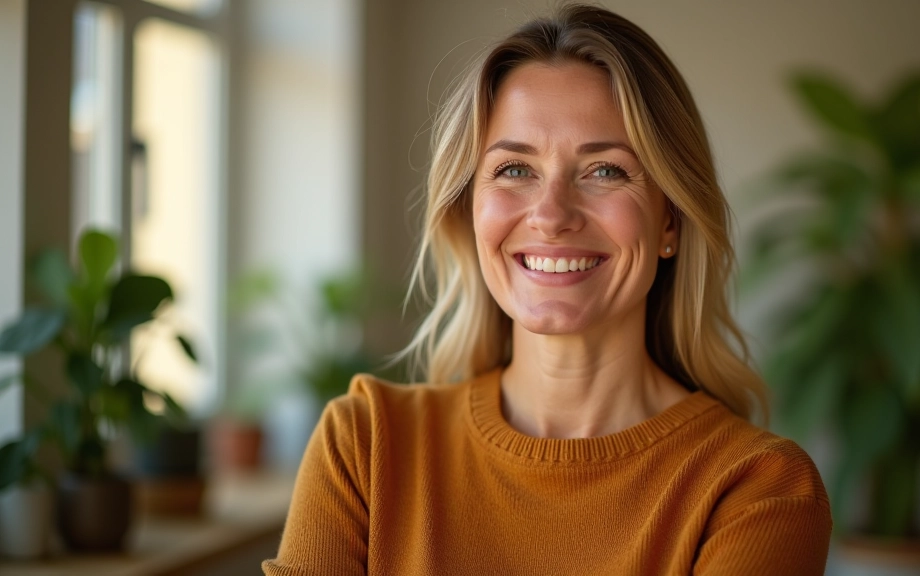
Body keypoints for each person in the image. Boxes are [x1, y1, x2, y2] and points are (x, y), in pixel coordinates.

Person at [262, 4, 831, 575]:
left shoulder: (757, 488)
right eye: (514, 169)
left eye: (605, 170)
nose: (552, 215)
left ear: (670, 222)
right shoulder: (366, 446)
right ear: (469, 210)